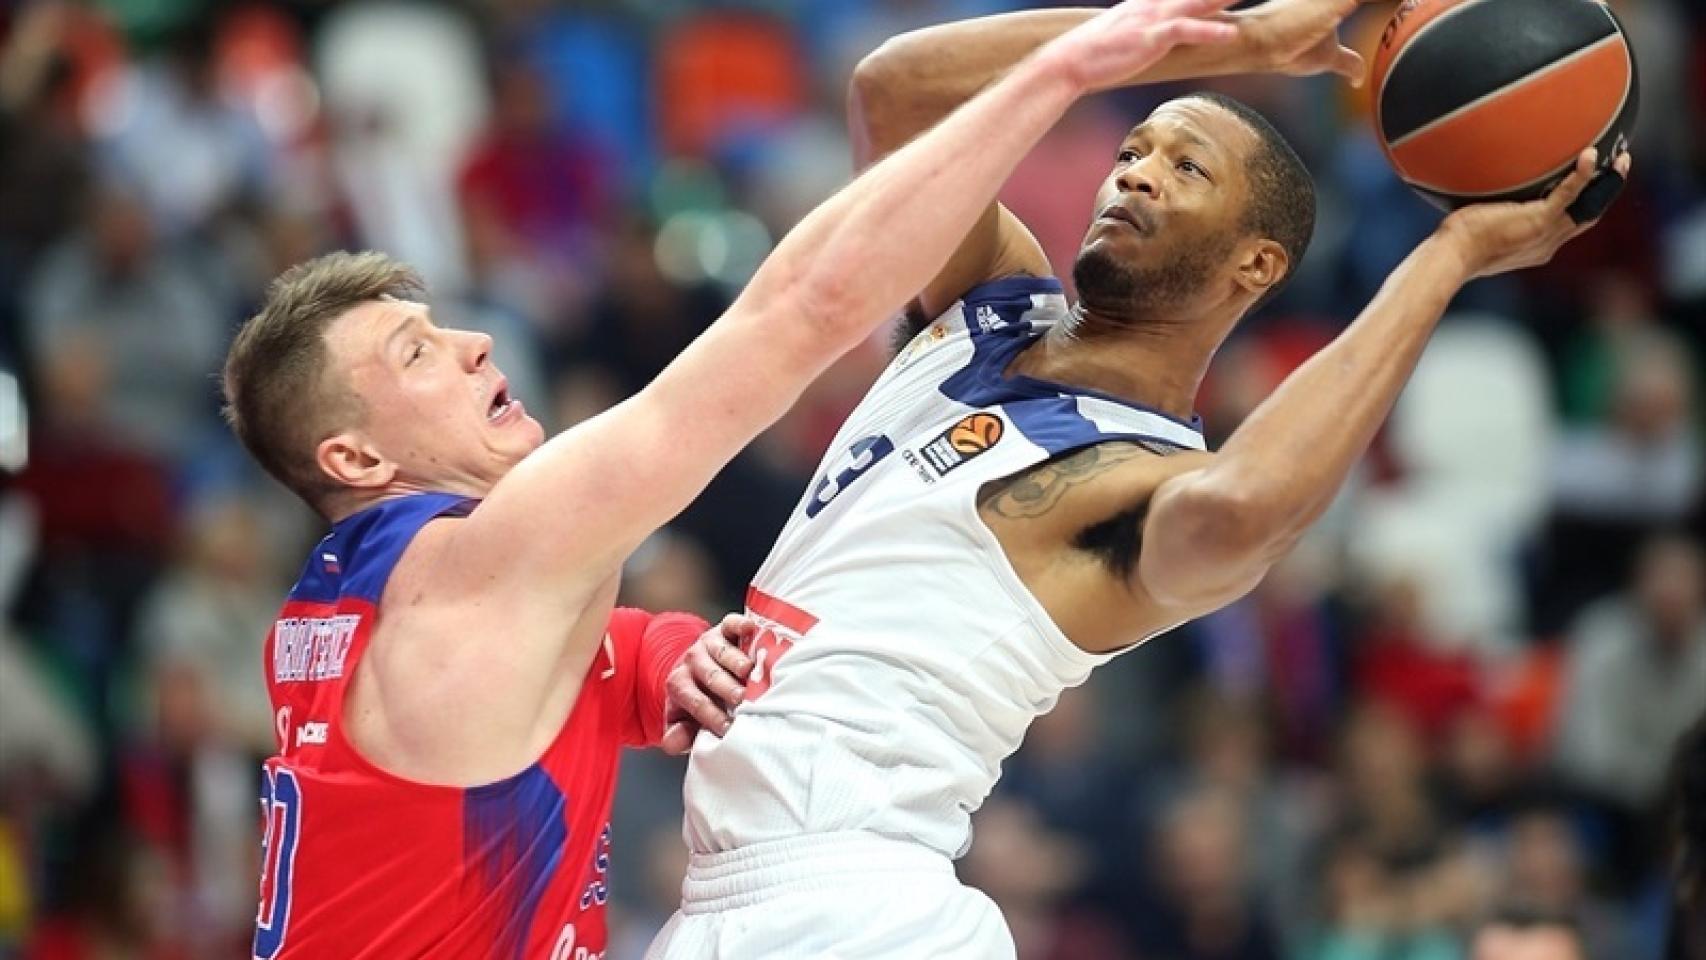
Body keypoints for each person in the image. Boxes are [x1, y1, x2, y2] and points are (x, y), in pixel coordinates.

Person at [219, 1, 1245, 955]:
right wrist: (1068, 67)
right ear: (354, 459)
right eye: (416, 355)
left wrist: (667, 651)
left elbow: (550, 682)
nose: (477, 345)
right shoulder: (481, 566)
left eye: (442, 326)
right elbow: (803, 307)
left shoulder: (335, 619)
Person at [649, 1, 1634, 957]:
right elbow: (893, 89)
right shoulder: (987, 298)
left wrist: (1447, 255)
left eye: (1184, 166)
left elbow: (1247, 508)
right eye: (1130, 154)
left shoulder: (1135, 477)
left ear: (1255, 263)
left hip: (852, 904)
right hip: (722, 898)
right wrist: (1202, 36)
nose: (1136, 176)